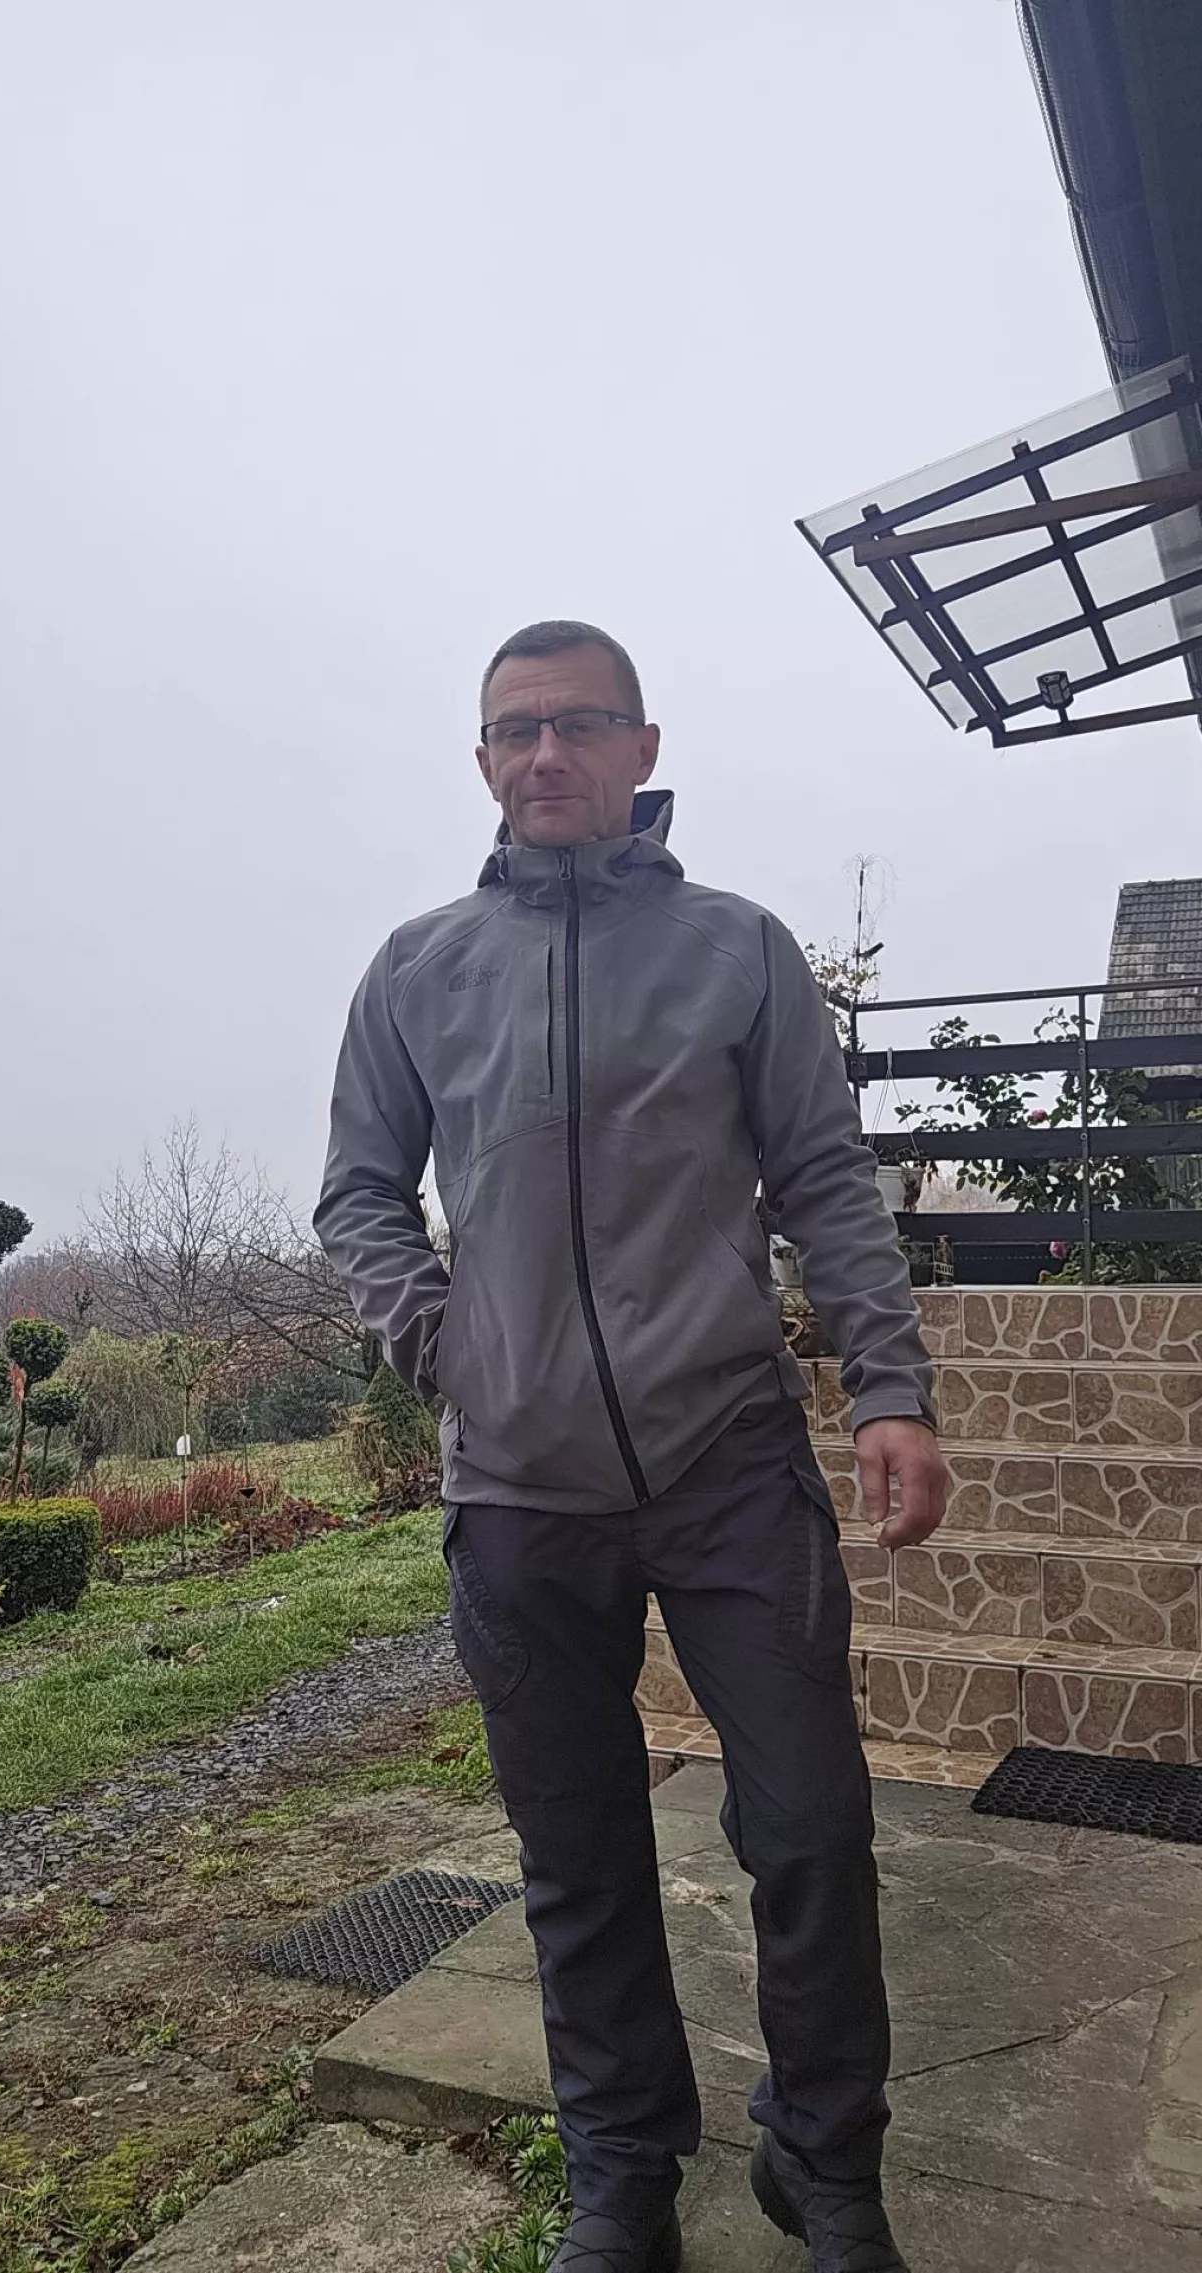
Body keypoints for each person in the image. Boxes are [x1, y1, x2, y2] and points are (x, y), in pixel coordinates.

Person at [315, 620, 949, 2273]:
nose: (548, 754)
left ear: (643, 749)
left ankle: (827, 2165)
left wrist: (890, 1387)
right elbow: (360, 1194)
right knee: (578, 1851)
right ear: (482, 760)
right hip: (518, 1495)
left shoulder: (740, 949)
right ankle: (620, 2175)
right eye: (516, 729)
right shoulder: (416, 970)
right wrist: (446, 1347)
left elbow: (825, 1177)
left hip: (730, 1463)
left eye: (581, 723)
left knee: (812, 1830)